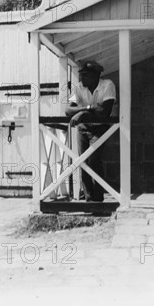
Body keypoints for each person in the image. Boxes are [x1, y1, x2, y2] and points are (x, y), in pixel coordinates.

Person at [65, 60, 116, 202]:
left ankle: (98, 199)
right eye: (81, 75)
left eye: (86, 75)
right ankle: (89, 199)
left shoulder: (108, 85)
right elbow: (68, 110)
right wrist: (86, 109)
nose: (82, 78)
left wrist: (82, 114)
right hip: (83, 128)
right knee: (83, 162)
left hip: (100, 128)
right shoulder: (78, 88)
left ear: (96, 76)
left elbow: (105, 111)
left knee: (93, 161)